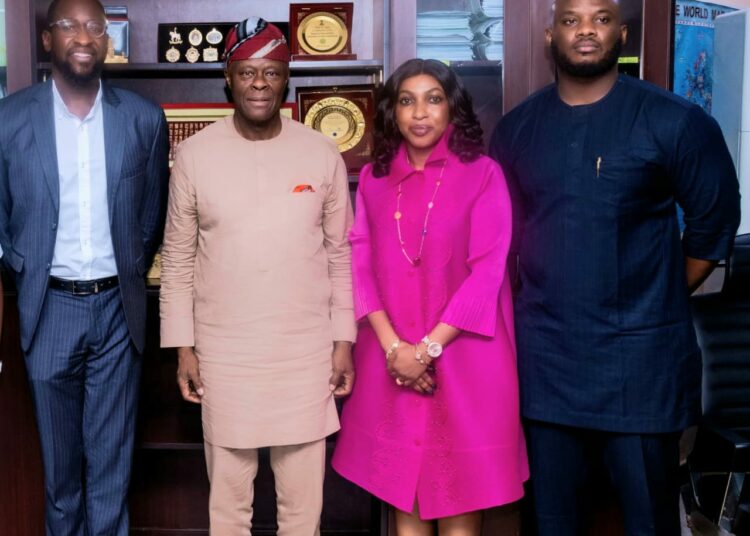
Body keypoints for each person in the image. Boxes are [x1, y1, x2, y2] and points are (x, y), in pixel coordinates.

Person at [490, 0, 741, 534]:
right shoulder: (516, 130)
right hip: (547, 366)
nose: (586, 31)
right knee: (552, 522)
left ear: (620, 34)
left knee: (647, 520)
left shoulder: (675, 121)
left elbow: (712, 223)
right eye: (571, 19)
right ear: (548, 36)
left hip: (641, 368)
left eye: (600, 19)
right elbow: (499, 239)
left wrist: (658, 294)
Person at [159, 17, 357, 535]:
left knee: (301, 512)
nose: (259, 84)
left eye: (271, 73)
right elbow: (177, 259)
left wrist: (344, 340)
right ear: (229, 77)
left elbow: (341, 256)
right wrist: (184, 347)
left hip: (304, 356)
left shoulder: (321, 152)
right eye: (247, 73)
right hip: (226, 359)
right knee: (228, 511)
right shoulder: (195, 156)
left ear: (286, 77)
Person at [332, 58, 528, 535]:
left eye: (433, 99)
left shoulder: (483, 175)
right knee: (406, 501)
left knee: (462, 504)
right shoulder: (376, 182)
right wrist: (395, 349)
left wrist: (425, 351)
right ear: (392, 112)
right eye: (407, 100)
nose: (420, 113)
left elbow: (487, 273)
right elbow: (359, 266)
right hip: (391, 359)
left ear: (451, 108)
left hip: (467, 360)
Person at [0, 0, 169, 533]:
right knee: (60, 475)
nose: (83, 35)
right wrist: (20, 264)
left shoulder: (142, 119)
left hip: (118, 311)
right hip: (48, 308)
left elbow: (151, 215)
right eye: (69, 24)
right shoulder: (8, 118)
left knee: (111, 472)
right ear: (47, 39)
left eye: (95, 26)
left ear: (107, 42)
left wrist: (129, 267)